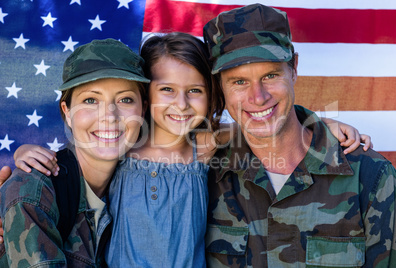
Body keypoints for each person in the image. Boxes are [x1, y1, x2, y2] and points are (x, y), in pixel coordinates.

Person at [2, 33, 372, 267]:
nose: (180, 104)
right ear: (146, 96)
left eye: (194, 90)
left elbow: (262, 130)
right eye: (166, 90)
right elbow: (78, 155)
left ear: (211, 95)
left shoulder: (205, 146)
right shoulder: (124, 149)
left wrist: (320, 125)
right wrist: (25, 153)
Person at [203, 4, 396, 267]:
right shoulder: (204, 174)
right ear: (220, 86)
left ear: (294, 68)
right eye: (239, 81)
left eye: (270, 75)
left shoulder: (371, 177)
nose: (258, 97)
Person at [0, 38, 149, 267]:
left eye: (125, 99)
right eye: (90, 100)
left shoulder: (141, 190)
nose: (109, 116)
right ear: (67, 111)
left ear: (143, 110)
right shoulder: (33, 191)